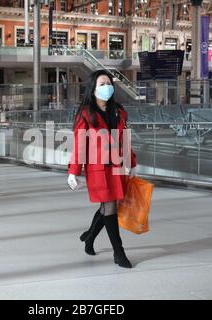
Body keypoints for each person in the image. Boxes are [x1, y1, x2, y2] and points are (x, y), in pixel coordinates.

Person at [67, 70, 138, 269]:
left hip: (117, 167)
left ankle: (89, 238)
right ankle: (119, 252)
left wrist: (131, 163)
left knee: (108, 206)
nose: (107, 87)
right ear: (93, 89)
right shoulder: (86, 113)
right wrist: (73, 171)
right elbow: (80, 145)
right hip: (98, 169)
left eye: (109, 83)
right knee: (110, 207)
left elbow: (125, 139)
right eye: (102, 84)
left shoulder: (119, 111)